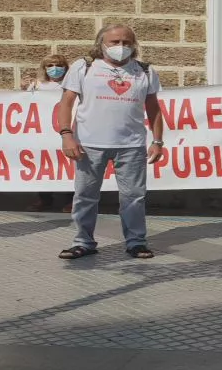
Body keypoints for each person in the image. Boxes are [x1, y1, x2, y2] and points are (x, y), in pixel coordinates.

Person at [56, 24, 166, 260]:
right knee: (85, 195)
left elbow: (154, 109)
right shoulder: (84, 67)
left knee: (134, 197)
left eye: (127, 42)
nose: (121, 47)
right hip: (89, 144)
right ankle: (83, 242)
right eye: (115, 42)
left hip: (131, 146)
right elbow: (66, 103)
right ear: (101, 43)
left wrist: (158, 141)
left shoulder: (144, 72)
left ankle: (136, 242)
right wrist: (67, 135)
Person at [23, 53, 71, 213]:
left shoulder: (70, 84)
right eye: (50, 66)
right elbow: (25, 104)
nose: (55, 69)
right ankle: (44, 199)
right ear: (44, 68)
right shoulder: (37, 85)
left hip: (65, 129)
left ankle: (70, 200)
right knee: (44, 164)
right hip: (42, 132)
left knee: (67, 165)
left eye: (59, 65)